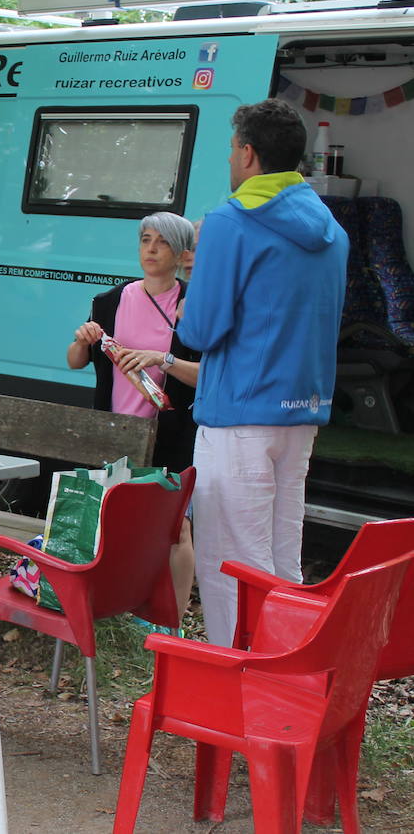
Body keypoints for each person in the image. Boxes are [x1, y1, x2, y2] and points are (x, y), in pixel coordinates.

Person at [177, 98, 348, 646]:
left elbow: (200, 333)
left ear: (248, 154)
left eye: (231, 148)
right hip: (300, 412)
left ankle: (237, 696)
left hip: (238, 416)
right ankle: (284, 676)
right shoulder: (332, 230)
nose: (230, 159)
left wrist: (189, 307)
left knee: (231, 566)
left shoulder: (231, 221)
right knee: (280, 561)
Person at [66, 212, 201, 622]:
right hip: (114, 431)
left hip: (171, 434)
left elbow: (208, 378)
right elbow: (75, 362)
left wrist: (165, 359)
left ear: (180, 254)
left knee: (177, 529)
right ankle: (112, 613)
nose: (152, 249)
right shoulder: (109, 302)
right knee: (114, 523)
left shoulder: (193, 305)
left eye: (162, 242)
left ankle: (171, 622)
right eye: (145, 240)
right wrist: (80, 339)